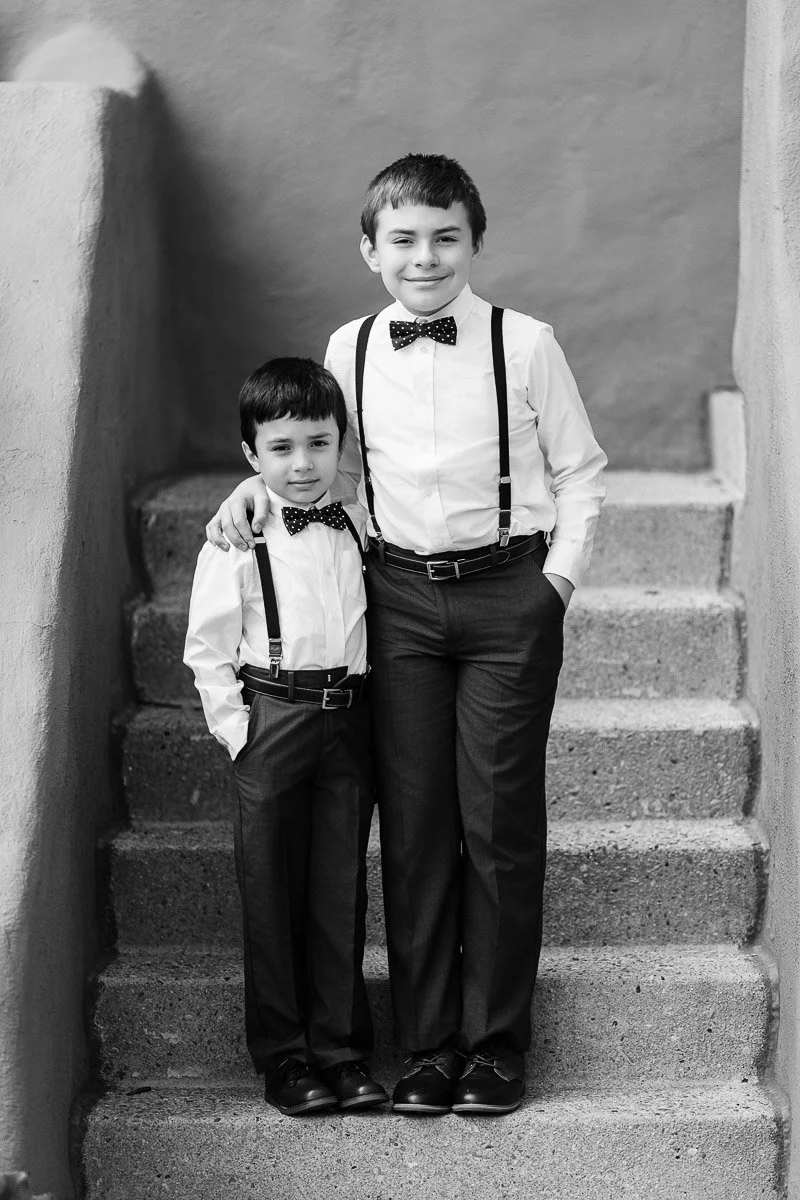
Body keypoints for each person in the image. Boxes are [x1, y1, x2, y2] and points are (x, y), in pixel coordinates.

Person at [205, 154, 607, 1115]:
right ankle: (426, 1049)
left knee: (498, 822)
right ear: (369, 249)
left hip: (511, 592)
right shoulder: (346, 349)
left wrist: (553, 586)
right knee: (420, 825)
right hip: (398, 602)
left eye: (445, 237)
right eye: (403, 240)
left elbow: (582, 471)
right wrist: (253, 488)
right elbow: (332, 470)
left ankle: (497, 1047)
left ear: (473, 242)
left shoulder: (526, 342)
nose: (424, 257)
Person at [184, 357, 388, 1116]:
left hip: (351, 720)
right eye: (281, 449)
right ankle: (285, 1057)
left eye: (318, 443)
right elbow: (207, 648)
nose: (302, 464)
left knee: (339, 888)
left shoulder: (361, 518)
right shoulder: (235, 540)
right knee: (271, 889)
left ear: (342, 446)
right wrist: (240, 735)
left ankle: (342, 1048)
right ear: (251, 457)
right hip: (273, 719)